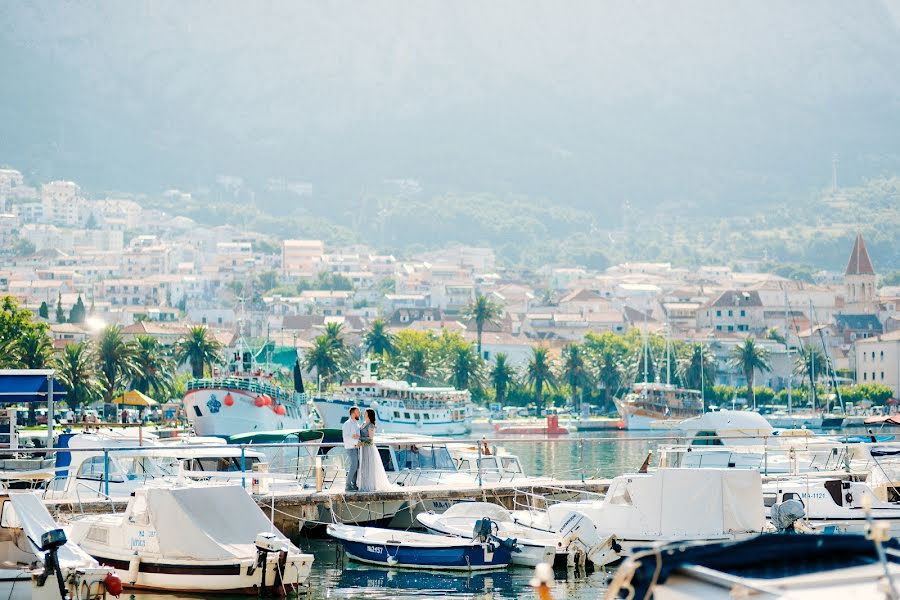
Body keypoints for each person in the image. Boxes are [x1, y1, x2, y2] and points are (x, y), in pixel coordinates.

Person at [357, 408, 395, 492]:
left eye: (366, 413)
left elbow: (371, 439)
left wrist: (361, 442)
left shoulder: (371, 425)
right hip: (363, 448)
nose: (364, 414)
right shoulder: (363, 424)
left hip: (368, 448)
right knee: (363, 466)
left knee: (369, 466)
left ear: (369, 415)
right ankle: (363, 485)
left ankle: (370, 486)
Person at [342, 406, 361, 492]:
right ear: (353, 413)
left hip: (356, 448)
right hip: (350, 448)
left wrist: (358, 440)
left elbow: (356, 436)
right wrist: (356, 442)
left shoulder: (356, 423)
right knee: (354, 466)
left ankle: (354, 484)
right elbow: (346, 438)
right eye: (358, 412)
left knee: (356, 466)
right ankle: (348, 485)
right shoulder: (347, 424)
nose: (359, 414)